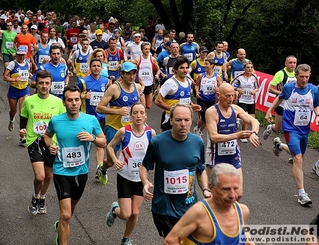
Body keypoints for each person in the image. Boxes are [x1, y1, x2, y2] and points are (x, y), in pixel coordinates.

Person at [43, 85, 106, 245]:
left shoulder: (91, 120)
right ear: (64, 102)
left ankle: (61, 227)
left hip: (81, 173)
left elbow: (103, 142)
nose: (74, 103)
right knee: (65, 215)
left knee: (69, 212)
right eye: (70, 100)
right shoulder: (56, 121)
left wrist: (92, 138)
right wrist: (50, 146)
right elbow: (47, 135)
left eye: (77, 99)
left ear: (80, 101)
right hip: (61, 171)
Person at [140, 103, 211, 238]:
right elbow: (145, 166)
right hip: (164, 208)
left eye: (187, 120)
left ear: (191, 120)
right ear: (171, 120)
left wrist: (206, 189)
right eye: (178, 120)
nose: (183, 124)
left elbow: (200, 169)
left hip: (190, 207)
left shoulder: (198, 142)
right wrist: (145, 182)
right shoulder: (157, 142)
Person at [265, 64, 319, 206]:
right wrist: (269, 110)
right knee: (298, 159)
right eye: (301, 77)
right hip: (290, 129)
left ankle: (280, 145)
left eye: (307, 77)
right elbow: (280, 98)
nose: (304, 80)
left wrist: (318, 115)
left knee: (299, 154)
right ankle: (302, 194)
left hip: (304, 130)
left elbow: (316, 104)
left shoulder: (313, 90)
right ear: (296, 76)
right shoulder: (289, 88)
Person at [105, 103, 156, 245]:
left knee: (135, 214)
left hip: (140, 178)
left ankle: (126, 239)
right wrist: (115, 160)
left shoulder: (151, 133)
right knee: (126, 214)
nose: (138, 116)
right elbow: (109, 146)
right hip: (125, 177)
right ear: (131, 115)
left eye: (141, 113)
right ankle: (115, 209)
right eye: (135, 113)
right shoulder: (124, 131)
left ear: (146, 115)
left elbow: (154, 154)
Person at [164, 163, 252, 245]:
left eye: (235, 188)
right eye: (226, 189)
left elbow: (246, 239)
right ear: (211, 187)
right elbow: (170, 241)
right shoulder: (199, 213)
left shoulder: (242, 211)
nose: (232, 195)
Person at [20, 70, 66, 215]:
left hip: (52, 143)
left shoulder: (58, 103)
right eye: (41, 83)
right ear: (36, 84)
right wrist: (22, 130)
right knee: (39, 176)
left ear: (51, 84)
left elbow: (63, 123)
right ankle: (35, 196)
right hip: (34, 140)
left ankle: (42, 197)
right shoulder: (28, 100)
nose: (44, 86)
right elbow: (23, 117)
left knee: (48, 175)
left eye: (47, 83)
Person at [205, 83, 260, 199]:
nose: (231, 99)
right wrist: (237, 135)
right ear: (219, 95)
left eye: (232, 96)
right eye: (227, 96)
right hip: (215, 157)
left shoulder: (235, 109)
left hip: (233, 156)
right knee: (213, 195)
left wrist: (253, 133)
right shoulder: (211, 112)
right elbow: (213, 137)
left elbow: (255, 122)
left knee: (238, 193)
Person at [96, 62, 144, 185]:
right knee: (111, 161)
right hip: (114, 127)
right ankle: (102, 168)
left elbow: (138, 107)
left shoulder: (137, 87)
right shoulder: (114, 88)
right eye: (128, 74)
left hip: (130, 129)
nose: (132, 76)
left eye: (134, 73)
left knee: (133, 155)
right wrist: (116, 111)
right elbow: (99, 108)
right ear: (122, 74)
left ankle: (130, 180)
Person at [78, 58, 110, 179]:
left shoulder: (105, 81)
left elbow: (109, 96)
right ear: (90, 68)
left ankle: (99, 168)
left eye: (98, 66)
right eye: (94, 66)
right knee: (84, 143)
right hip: (86, 117)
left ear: (101, 68)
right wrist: (84, 96)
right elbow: (75, 95)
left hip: (100, 118)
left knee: (100, 143)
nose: (96, 68)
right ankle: (80, 165)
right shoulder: (83, 82)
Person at [155, 56, 201, 131]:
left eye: (186, 68)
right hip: (170, 119)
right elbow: (157, 101)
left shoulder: (189, 81)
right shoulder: (170, 83)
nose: (185, 70)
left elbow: (186, 98)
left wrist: (192, 105)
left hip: (184, 119)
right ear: (175, 69)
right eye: (182, 68)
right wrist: (174, 110)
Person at [263, 55, 297, 142]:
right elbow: (270, 89)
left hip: (293, 105)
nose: (292, 65)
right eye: (290, 62)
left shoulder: (297, 74)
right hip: (281, 103)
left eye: (294, 63)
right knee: (278, 127)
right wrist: (283, 94)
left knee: (293, 128)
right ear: (285, 63)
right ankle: (271, 127)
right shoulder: (280, 74)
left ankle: (291, 149)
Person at [3, 46, 31, 144]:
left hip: (24, 90)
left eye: (23, 55)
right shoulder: (12, 64)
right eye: (20, 55)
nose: (22, 57)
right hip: (14, 90)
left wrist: (30, 76)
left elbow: (28, 75)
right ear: (17, 54)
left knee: (22, 113)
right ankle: (11, 120)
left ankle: (22, 136)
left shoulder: (28, 64)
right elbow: (5, 77)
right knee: (13, 111)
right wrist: (14, 79)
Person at [231, 61, 260, 143]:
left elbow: (257, 87)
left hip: (251, 100)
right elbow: (231, 85)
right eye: (248, 67)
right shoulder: (239, 77)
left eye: (251, 67)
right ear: (244, 69)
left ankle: (238, 120)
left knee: (252, 118)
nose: (250, 69)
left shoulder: (254, 77)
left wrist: (254, 91)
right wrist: (238, 89)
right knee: (246, 119)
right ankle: (243, 134)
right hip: (242, 100)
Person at [194, 58, 222, 137]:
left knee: (208, 118)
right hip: (202, 99)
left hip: (213, 100)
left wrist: (218, 89)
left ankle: (198, 129)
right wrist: (197, 92)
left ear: (212, 65)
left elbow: (222, 88)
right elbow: (196, 85)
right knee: (205, 116)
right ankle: (204, 131)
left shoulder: (217, 77)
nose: (205, 65)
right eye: (204, 64)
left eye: (207, 64)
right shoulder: (201, 75)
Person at [130, 42, 160, 109]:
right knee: (142, 106)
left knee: (148, 106)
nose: (147, 50)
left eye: (148, 49)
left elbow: (158, 70)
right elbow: (132, 67)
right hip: (140, 84)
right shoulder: (138, 59)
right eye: (145, 49)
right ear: (142, 50)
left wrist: (157, 75)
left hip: (149, 83)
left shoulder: (152, 59)